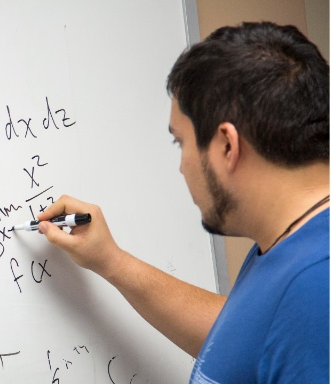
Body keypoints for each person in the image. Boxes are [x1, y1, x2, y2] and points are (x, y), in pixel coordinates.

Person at [37, 22, 329, 383]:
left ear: (226, 145)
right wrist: (110, 261)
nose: (180, 166)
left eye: (181, 142)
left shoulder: (317, 287)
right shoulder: (293, 249)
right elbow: (250, 341)